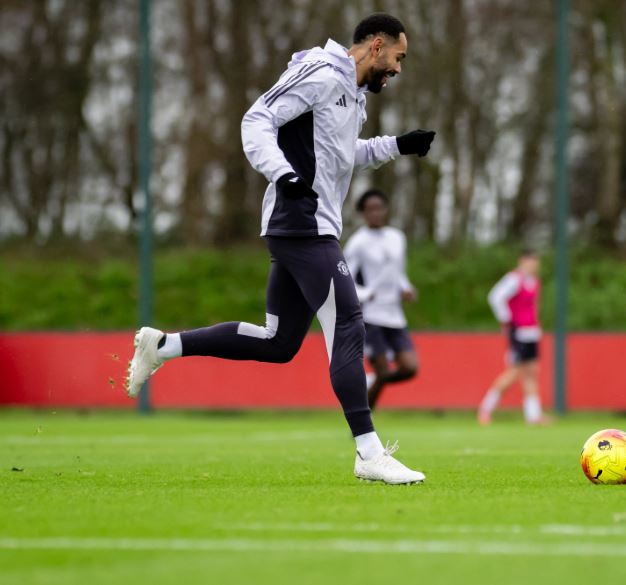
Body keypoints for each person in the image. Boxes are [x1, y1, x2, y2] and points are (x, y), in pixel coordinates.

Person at [125, 13, 436, 485]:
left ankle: (165, 345)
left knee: (279, 342)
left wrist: (398, 145)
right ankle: (369, 452)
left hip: (310, 225)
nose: (397, 68)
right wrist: (282, 174)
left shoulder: (352, 93)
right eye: (398, 57)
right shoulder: (320, 72)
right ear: (376, 46)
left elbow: (341, 154)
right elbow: (257, 119)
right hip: (302, 223)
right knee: (349, 321)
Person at [343, 188, 418, 409]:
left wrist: (406, 288)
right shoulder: (358, 242)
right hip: (371, 315)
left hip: (394, 314)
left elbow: (398, 272)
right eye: (370, 209)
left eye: (379, 208)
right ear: (362, 213)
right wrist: (366, 294)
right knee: (383, 371)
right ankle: (364, 420)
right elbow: (345, 279)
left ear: (386, 210)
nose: (375, 213)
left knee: (410, 368)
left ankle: (371, 383)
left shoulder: (397, 237)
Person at [477, 250, 548, 425]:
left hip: (531, 332)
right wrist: (506, 320)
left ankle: (533, 415)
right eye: (530, 262)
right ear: (522, 262)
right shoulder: (514, 279)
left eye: (535, 262)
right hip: (518, 333)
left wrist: (537, 325)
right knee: (514, 372)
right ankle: (486, 408)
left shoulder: (535, 282)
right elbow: (495, 297)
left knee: (532, 373)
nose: (533, 266)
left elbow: (533, 307)